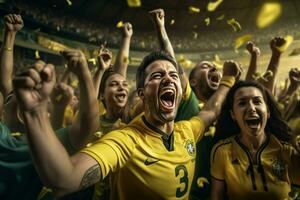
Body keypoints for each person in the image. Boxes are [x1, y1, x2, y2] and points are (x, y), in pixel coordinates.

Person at [13, 50, 241, 199]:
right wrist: (35, 112)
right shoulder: (126, 139)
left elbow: (211, 110)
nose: (169, 78)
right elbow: (64, 178)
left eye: (173, 74)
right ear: (141, 93)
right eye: (157, 75)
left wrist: (228, 79)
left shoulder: (187, 131)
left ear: (181, 92)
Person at [211, 80, 300, 200]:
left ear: (267, 112)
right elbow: (217, 196)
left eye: (257, 101)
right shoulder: (222, 151)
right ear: (233, 115)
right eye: (242, 103)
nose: (252, 108)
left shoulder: (287, 151)